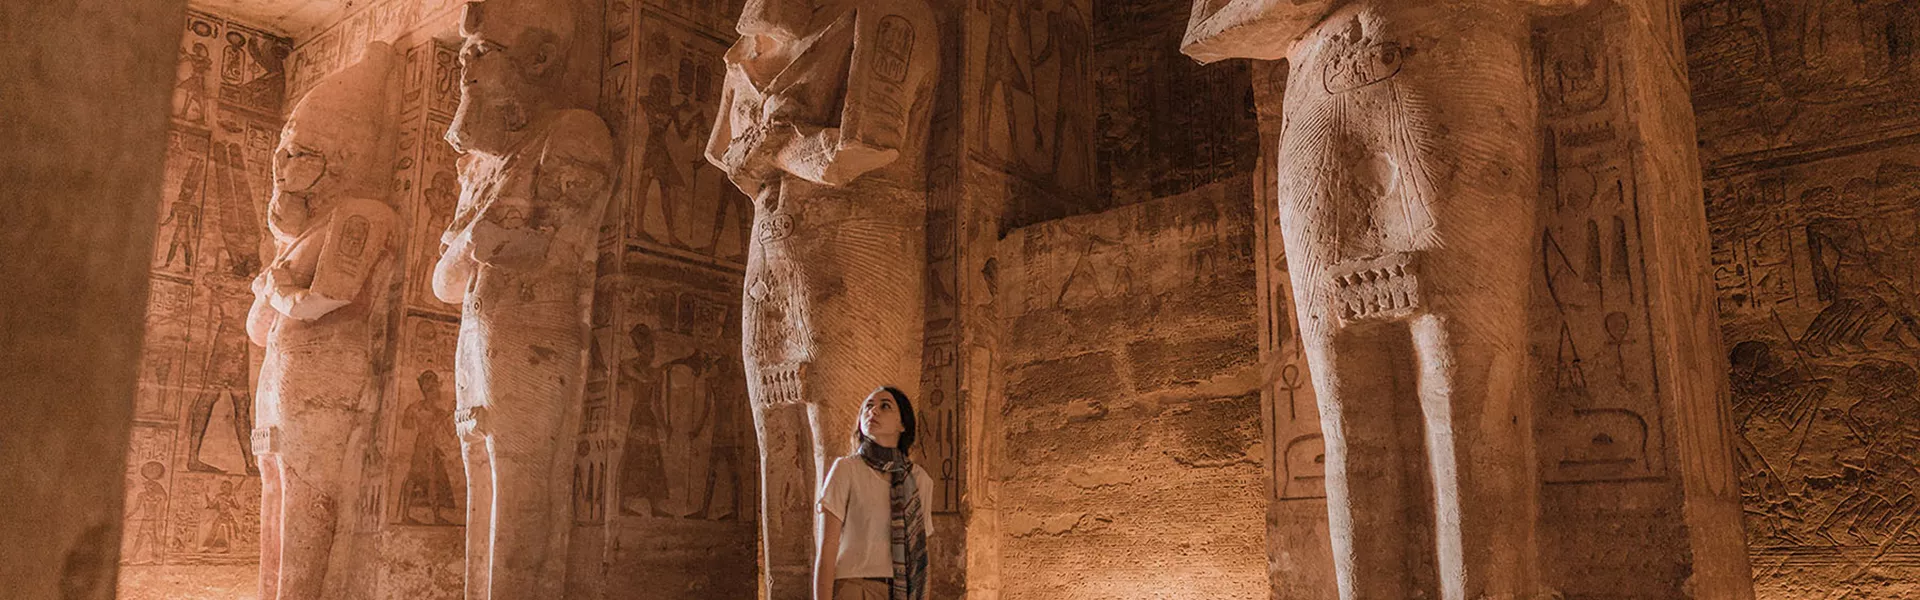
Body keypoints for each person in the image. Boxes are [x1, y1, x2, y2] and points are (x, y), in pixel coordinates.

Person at [815, 386, 933, 600]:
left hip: (901, 592)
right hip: (854, 587)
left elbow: (921, 554)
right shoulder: (846, 469)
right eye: (868, 407)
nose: (873, 411)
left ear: (903, 424)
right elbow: (828, 547)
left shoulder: (920, 480)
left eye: (885, 406)